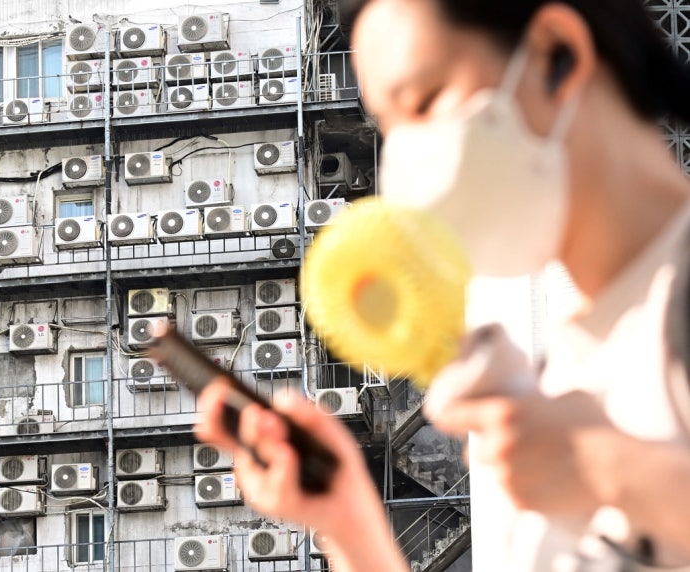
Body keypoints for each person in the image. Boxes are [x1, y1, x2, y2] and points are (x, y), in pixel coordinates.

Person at [196, 0, 690, 570]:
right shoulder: (565, 374)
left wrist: (608, 467)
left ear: (558, 52)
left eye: (425, 102)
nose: (407, 159)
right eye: (390, 129)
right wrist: (347, 521)